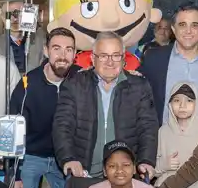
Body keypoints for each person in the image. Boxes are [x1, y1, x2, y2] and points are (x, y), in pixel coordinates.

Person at [52, 32, 159, 179]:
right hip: (84, 174)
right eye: (103, 56)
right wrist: (68, 158)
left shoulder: (140, 86)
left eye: (116, 55)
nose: (110, 62)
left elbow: (148, 128)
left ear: (123, 59)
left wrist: (146, 161)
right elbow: (62, 125)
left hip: (125, 177)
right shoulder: (74, 84)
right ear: (93, 59)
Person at [9, 27, 76, 188]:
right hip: (31, 155)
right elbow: (15, 129)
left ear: (75, 54)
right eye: (57, 49)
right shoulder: (28, 84)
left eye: (69, 50)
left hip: (64, 158)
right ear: (46, 50)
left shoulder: (80, 82)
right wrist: (15, 174)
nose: (63, 56)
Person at [47, 0, 162, 72]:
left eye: (127, 3)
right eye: (89, 7)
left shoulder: (133, 63)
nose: (111, 20)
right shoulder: (74, 64)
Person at [139, 4, 198, 126]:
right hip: (162, 140)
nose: (188, 31)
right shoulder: (153, 59)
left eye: (194, 25)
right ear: (174, 29)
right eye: (182, 25)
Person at [0, 0, 45, 73]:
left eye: (19, 13)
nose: (15, 18)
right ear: (2, 17)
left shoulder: (40, 42)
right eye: (9, 14)